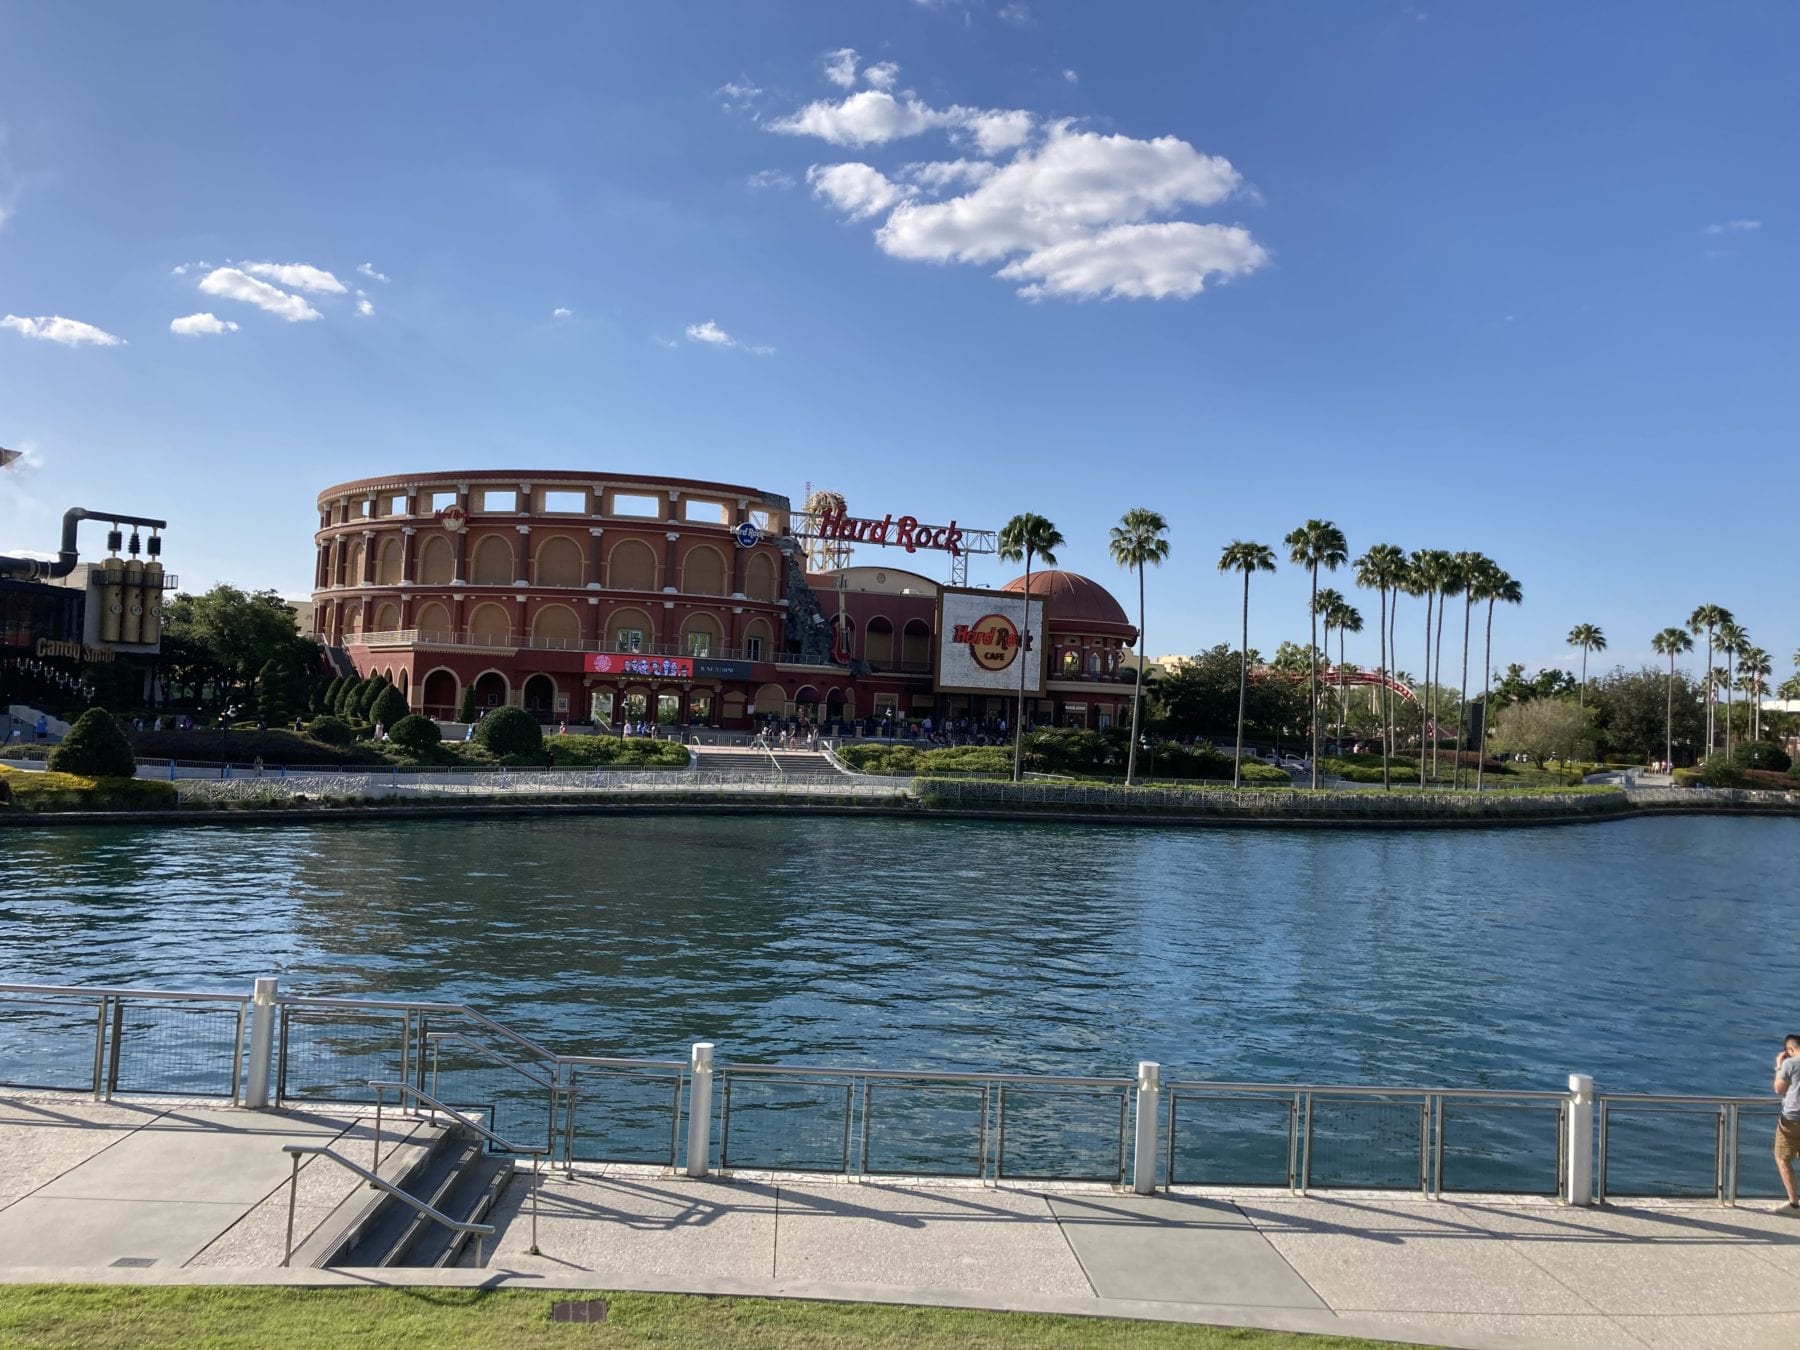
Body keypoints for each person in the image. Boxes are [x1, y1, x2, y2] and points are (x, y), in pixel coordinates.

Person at [1775, 1034, 1800, 1211]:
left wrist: (1778, 1065)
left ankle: (1793, 1203)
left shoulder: (1790, 1063)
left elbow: (1779, 1089)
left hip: (1792, 1118)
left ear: (1790, 1049)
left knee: (1782, 1158)